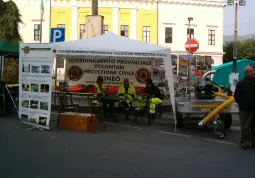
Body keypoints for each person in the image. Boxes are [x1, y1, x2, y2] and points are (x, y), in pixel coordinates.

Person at [234, 66, 255, 149]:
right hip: (244, 109)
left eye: (253, 70)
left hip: (254, 109)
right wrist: (242, 104)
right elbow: (236, 96)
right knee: (245, 126)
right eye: (251, 72)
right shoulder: (241, 84)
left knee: (254, 126)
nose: (253, 72)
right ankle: (245, 142)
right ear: (246, 73)